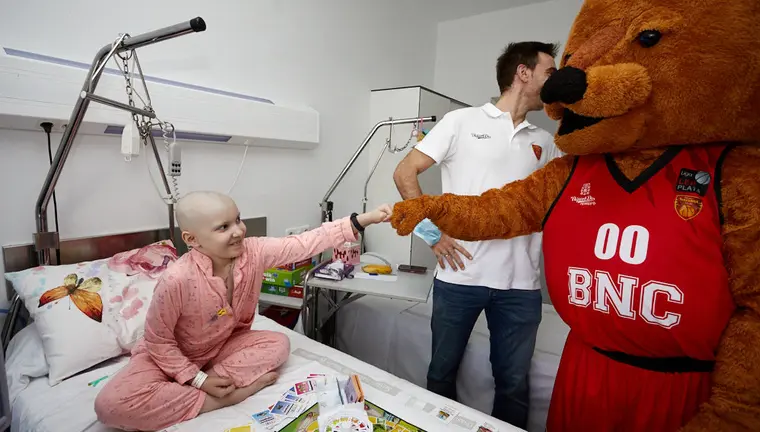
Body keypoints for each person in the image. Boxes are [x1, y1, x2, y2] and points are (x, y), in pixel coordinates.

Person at [95, 191, 392, 431]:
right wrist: (197, 379)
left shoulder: (254, 252)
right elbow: (159, 342)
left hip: (220, 348)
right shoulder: (177, 279)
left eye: (237, 220)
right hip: (166, 356)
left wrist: (363, 220)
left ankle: (201, 388)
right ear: (192, 239)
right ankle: (222, 398)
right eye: (223, 227)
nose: (238, 231)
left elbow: (303, 243)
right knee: (110, 406)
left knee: (278, 343)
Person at [392, 41, 562, 428]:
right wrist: (432, 235)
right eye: (549, 72)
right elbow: (404, 173)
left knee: (514, 384)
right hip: (460, 278)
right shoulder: (461, 122)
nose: (554, 81)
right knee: (440, 375)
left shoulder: (546, 142)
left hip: (521, 287)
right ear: (523, 73)